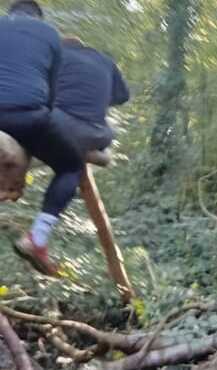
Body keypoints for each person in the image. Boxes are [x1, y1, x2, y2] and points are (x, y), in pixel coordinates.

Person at [12, 35, 130, 275]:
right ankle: (38, 236)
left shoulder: (53, 57)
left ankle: (36, 236)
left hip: (52, 124)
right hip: (93, 133)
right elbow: (123, 96)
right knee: (73, 166)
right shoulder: (104, 60)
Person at [0, 0, 84, 275]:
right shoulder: (49, 34)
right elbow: (50, 94)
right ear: (39, 17)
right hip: (29, 116)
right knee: (71, 166)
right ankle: (37, 237)